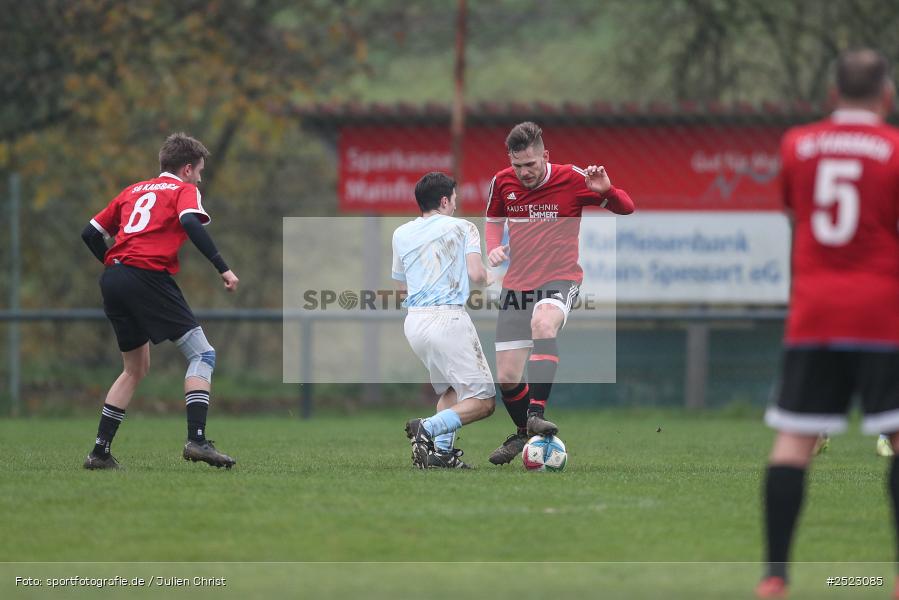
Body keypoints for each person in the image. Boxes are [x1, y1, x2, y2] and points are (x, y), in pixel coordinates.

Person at [756, 49, 899, 598]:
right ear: (886, 95)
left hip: (815, 313)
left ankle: (774, 577)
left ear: (833, 95)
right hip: (882, 313)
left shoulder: (798, 143)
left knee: (793, 444)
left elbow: (797, 212)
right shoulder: (893, 149)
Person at [80, 132, 240, 470]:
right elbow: (188, 222)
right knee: (203, 354)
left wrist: (117, 266)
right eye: (198, 170)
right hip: (146, 276)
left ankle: (99, 452)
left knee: (134, 368)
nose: (199, 177)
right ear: (185, 169)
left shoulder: (132, 191)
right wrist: (222, 268)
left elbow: (90, 234)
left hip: (114, 278)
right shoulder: (184, 191)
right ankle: (197, 440)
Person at [483, 122, 635, 464]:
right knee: (506, 377)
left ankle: (535, 413)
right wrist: (493, 249)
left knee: (543, 324)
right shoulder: (501, 181)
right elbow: (493, 221)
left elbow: (627, 207)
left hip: (559, 278)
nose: (523, 172)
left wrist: (607, 191)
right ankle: (525, 434)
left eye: (531, 165)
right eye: (517, 165)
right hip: (516, 284)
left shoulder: (573, 178)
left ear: (545, 156)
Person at [395, 172, 496, 469]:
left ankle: (440, 455)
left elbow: (402, 287)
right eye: (454, 200)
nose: (456, 206)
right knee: (484, 401)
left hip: (414, 323)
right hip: (447, 318)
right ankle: (427, 427)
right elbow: (478, 275)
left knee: (451, 391)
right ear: (444, 200)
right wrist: (501, 274)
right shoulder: (463, 227)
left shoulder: (400, 233)